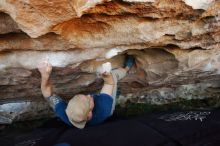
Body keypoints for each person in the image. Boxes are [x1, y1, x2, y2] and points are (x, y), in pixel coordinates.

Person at [38, 56, 134, 129]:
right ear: (89, 115)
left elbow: (47, 94)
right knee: (113, 76)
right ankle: (126, 69)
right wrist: (107, 77)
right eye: (88, 100)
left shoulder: (65, 114)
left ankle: (112, 94)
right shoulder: (104, 108)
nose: (89, 95)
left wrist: (44, 75)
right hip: (107, 109)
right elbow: (109, 84)